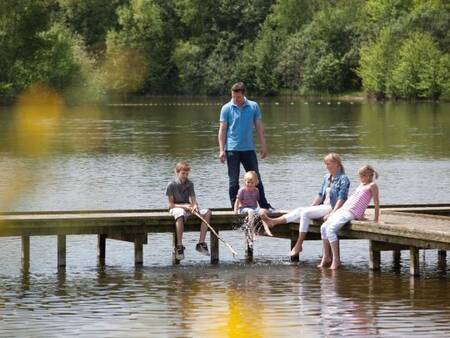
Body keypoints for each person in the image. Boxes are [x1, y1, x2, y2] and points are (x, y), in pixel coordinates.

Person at [261, 153, 350, 257]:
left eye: (328, 164)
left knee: (305, 213)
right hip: (324, 207)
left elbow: (342, 198)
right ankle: (273, 222)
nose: (326, 166)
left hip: (332, 208)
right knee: (301, 209)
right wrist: (312, 206)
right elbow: (320, 195)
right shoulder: (327, 177)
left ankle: (299, 244)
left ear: (336, 164)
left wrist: (333, 212)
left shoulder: (343, 179)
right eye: (325, 164)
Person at [218, 82, 274, 211]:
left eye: (238, 97)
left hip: (249, 149)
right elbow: (222, 130)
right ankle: (235, 207)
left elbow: (259, 127)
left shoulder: (253, 106)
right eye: (233, 97)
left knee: (256, 178)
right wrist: (221, 150)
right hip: (232, 149)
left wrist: (264, 145)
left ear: (243, 94)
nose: (235, 99)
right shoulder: (226, 108)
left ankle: (264, 205)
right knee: (233, 181)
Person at [318, 165, 380, 270]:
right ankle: (326, 257)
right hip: (344, 209)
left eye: (361, 176)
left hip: (351, 212)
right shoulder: (361, 185)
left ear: (368, 175)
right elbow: (356, 199)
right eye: (360, 176)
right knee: (323, 227)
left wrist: (376, 219)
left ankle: (336, 260)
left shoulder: (372, 186)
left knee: (331, 230)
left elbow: (376, 203)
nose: (360, 178)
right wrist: (335, 211)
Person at [166, 160, 211, 261]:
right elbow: (171, 205)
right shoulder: (171, 185)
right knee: (180, 212)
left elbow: (194, 201)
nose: (185, 176)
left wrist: (194, 206)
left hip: (188, 208)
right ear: (177, 173)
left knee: (207, 212)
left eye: (187, 174)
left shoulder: (190, 184)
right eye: (183, 173)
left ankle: (201, 243)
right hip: (176, 209)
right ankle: (179, 246)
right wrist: (185, 207)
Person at [234, 171, 272, 238]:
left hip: (253, 208)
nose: (250, 184)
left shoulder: (256, 190)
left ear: (255, 183)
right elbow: (237, 201)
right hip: (243, 208)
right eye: (248, 182)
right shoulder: (242, 190)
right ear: (245, 182)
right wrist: (235, 211)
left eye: (252, 183)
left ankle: (266, 229)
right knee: (250, 211)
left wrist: (260, 210)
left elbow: (256, 201)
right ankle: (252, 231)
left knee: (262, 211)